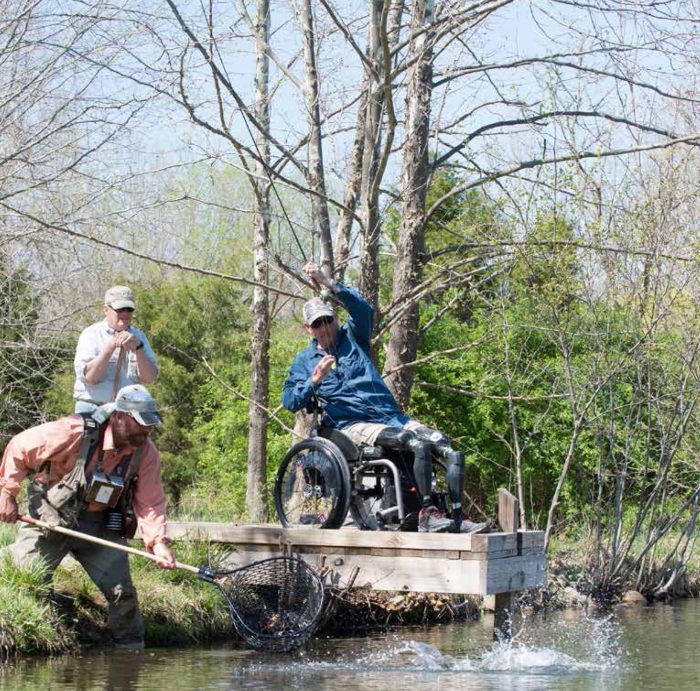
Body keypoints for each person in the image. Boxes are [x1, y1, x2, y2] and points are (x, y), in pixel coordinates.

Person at [283, 263, 487, 534]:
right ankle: (427, 514)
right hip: (350, 425)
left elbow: (363, 310)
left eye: (328, 320)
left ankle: (458, 517)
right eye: (318, 324)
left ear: (335, 319)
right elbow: (290, 400)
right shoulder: (304, 361)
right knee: (413, 443)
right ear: (309, 329)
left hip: (389, 416)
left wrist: (328, 283)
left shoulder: (353, 337)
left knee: (445, 445)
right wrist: (314, 381)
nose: (325, 328)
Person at [0, 384, 176, 650]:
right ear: (119, 416)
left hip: (99, 527)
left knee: (123, 596)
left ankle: (129, 655)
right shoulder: (73, 431)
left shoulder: (146, 451)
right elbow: (19, 447)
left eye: (150, 425)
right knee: (26, 582)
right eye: (141, 424)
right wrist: (7, 493)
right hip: (50, 521)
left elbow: (150, 502)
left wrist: (158, 543)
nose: (147, 431)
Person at [73, 285, 158, 413]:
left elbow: (150, 378)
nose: (125, 314)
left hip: (129, 411)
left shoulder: (139, 337)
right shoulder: (90, 334)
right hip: (92, 408)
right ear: (106, 309)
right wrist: (110, 347)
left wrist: (139, 348)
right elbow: (90, 378)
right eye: (120, 309)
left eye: (129, 309)